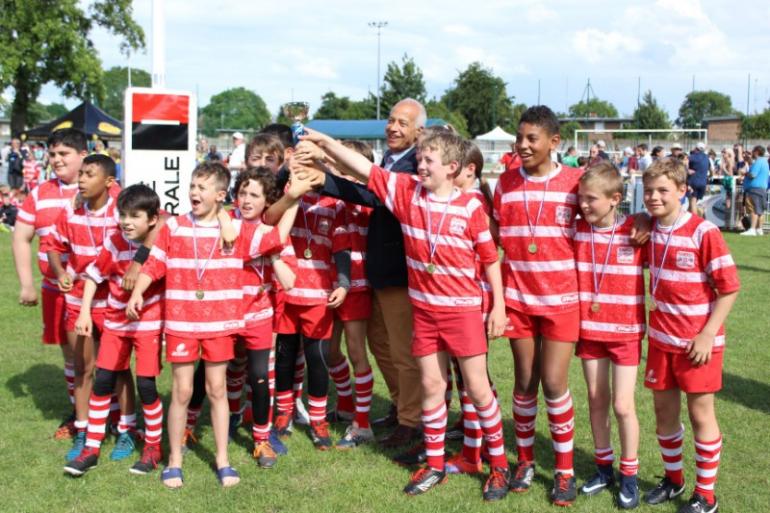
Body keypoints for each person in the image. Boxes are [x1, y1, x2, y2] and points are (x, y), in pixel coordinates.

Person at [296, 129, 511, 501]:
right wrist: (326, 143)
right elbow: (362, 166)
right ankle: (435, 463)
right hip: (425, 312)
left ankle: (499, 465)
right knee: (431, 385)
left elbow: (490, 259)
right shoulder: (407, 192)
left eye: (428, 161)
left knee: (477, 388)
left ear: (452, 167)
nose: (420, 166)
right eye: (420, 159)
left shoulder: (471, 206)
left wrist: (499, 306)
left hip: (462, 312)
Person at [125, 161, 304, 488]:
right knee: (181, 391)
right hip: (181, 321)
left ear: (221, 195)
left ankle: (222, 460)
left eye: (201, 187)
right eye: (192, 186)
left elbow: (277, 236)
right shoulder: (175, 227)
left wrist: (294, 197)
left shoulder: (235, 230)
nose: (194, 192)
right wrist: (138, 291)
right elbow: (155, 264)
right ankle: (174, 461)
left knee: (217, 389)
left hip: (221, 323)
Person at [271, 99, 426, 450]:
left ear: (418, 131)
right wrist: (317, 169)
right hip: (373, 273)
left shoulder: (415, 162)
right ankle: (401, 409)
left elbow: (370, 196)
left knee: (400, 351)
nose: (393, 127)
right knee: (382, 349)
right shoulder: (392, 158)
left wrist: (324, 172)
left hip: (397, 271)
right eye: (391, 120)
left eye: (403, 123)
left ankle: (411, 421)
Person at [493, 105, 583, 506]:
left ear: (554, 142)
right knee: (525, 381)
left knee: (554, 383)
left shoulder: (575, 182)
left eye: (532, 139)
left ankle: (564, 470)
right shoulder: (506, 184)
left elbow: (606, 218)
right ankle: (525, 461)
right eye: (520, 137)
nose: (523, 145)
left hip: (561, 299)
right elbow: (491, 237)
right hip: (518, 300)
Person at [641, 158, 740, 513]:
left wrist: (707, 334)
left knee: (701, 414)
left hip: (698, 343)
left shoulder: (704, 232)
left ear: (684, 191)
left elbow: (729, 288)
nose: (654, 197)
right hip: (661, 341)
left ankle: (706, 496)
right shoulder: (648, 229)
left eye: (663, 190)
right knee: (663, 411)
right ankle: (673, 479)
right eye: (648, 190)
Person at [63, 184, 165, 476]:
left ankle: (152, 448)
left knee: (146, 386)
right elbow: (94, 276)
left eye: (135, 215)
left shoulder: (161, 242)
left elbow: (170, 222)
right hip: (116, 324)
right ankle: (91, 449)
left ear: (152, 219)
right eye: (123, 214)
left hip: (146, 326)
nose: (127, 221)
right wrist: (84, 312)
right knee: (103, 380)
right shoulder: (114, 241)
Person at [46, 154, 130, 462]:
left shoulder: (121, 212)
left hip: (112, 302)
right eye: (80, 173)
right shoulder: (71, 212)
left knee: (118, 369)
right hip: (77, 299)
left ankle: (125, 430)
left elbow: (154, 225)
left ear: (109, 183)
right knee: (83, 367)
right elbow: (53, 246)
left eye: (89, 174)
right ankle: (83, 430)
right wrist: (60, 272)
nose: (80, 179)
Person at [574, 162, 646, 509]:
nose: (583, 205)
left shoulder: (636, 231)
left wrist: (645, 218)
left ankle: (629, 475)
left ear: (616, 199)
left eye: (591, 199)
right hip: (589, 331)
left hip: (626, 332)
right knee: (595, 398)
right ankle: (604, 468)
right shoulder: (577, 231)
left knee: (622, 404)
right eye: (580, 198)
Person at [12, 129, 90, 439]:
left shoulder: (102, 189)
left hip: (94, 293)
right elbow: (20, 237)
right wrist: (26, 284)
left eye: (64, 154)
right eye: (53, 154)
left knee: (98, 356)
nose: (56, 160)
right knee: (70, 356)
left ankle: (111, 415)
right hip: (54, 291)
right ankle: (78, 413)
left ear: (83, 156)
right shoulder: (40, 193)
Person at [229, 167, 303, 467]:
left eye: (254, 195)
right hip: (227, 313)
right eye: (243, 193)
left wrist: (273, 254)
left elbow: (288, 279)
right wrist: (295, 197)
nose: (246, 199)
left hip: (260, 313)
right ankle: (230, 418)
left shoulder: (271, 234)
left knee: (261, 374)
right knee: (225, 369)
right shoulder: (227, 224)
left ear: (267, 202)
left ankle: (262, 437)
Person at [323, 140, 377, 449]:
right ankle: (345, 404)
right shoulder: (329, 197)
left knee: (357, 351)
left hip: (356, 285)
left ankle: (363, 423)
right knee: (329, 350)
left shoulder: (368, 201)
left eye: (351, 169)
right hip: (327, 283)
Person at [739, 145, 768, 236]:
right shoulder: (764, 162)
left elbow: (753, 175)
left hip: (755, 189)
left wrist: (745, 173)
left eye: (753, 151)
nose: (752, 153)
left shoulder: (759, 161)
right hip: (761, 189)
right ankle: (759, 229)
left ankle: (752, 229)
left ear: (756, 152)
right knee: (760, 210)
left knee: (753, 209)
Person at [687, 142, 710, 215]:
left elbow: (682, 164)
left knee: (693, 202)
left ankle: (695, 221)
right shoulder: (706, 157)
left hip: (694, 182)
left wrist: (687, 170)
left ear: (696, 148)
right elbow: (710, 169)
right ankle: (685, 218)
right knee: (692, 203)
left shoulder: (692, 157)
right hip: (703, 183)